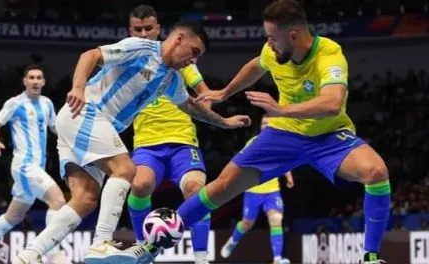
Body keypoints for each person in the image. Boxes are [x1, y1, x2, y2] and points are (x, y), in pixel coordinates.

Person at [121, 1, 391, 264]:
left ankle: (370, 258)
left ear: (293, 35)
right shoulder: (274, 52)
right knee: (221, 187)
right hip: (284, 136)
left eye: (272, 37)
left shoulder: (329, 54)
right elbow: (256, 66)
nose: (269, 43)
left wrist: (282, 110)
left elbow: (332, 103)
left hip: (330, 136)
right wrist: (225, 92)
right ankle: (149, 247)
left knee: (376, 172)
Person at [15, 20, 250, 264]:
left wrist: (224, 122)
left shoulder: (171, 80)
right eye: (194, 52)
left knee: (85, 199)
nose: (193, 60)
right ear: (179, 39)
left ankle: (28, 255)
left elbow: (191, 106)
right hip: (86, 112)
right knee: (126, 169)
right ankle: (100, 245)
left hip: (87, 125)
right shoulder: (142, 49)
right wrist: (77, 88)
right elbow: (91, 55)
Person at [126, 5, 212, 264]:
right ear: (130, 31)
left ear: (158, 29)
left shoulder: (179, 57)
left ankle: (201, 258)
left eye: (148, 28)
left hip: (183, 142)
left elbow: (204, 93)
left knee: (196, 189)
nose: (143, 34)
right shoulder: (125, 60)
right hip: (147, 144)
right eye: (137, 29)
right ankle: (144, 251)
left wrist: (204, 105)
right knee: (140, 185)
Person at [0, 64, 68, 264]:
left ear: (44, 82)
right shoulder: (15, 103)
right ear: (25, 81)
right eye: (31, 77)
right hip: (24, 165)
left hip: (37, 166)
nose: (35, 81)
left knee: (14, 215)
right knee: (58, 201)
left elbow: (56, 128)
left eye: (39, 78)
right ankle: (52, 254)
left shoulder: (47, 103)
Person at [220, 115, 292, 264]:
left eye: (268, 124)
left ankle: (277, 258)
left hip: (272, 191)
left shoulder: (280, 143)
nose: (265, 126)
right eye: (263, 123)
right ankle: (233, 240)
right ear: (260, 126)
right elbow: (240, 162)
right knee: (246, 224)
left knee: (276, 220)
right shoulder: (252, 143)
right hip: (253, 191)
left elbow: (284, 160)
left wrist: (289, 176)